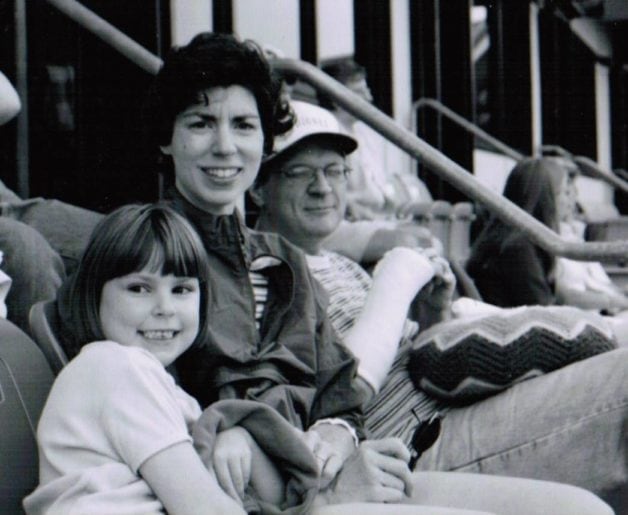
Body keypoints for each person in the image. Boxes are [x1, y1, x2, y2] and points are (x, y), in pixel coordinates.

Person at [251, 100, 628, 510]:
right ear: (258, 187)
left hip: (458, 408)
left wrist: (433, 313)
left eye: (334, 171)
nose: (322, 187)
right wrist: (396, 282)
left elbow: (419, 358)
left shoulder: (341, 263)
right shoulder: (265, 274)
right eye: (300, 172)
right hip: (414, 445)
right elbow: (335, 393)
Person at [24, 204, 249, 514]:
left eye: (182, 289)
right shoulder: (116, 366)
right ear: (94, 294)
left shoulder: (160, 385)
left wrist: (235, 436)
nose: (165, 308)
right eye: (139, 288)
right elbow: (205, 509)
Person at [319, 56, 432, 222]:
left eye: (367, 90)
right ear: (335, 99)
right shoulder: (327, 134)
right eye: (359, 92)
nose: (369, 98)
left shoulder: (363, 132)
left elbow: (379, 191)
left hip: (379, 217)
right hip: (350, 221)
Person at [466, 157, 564, 307]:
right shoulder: (518, 248)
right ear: (547, 199)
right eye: (563, 193)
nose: (569, 201)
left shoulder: (505, 237)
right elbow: (542, 310)